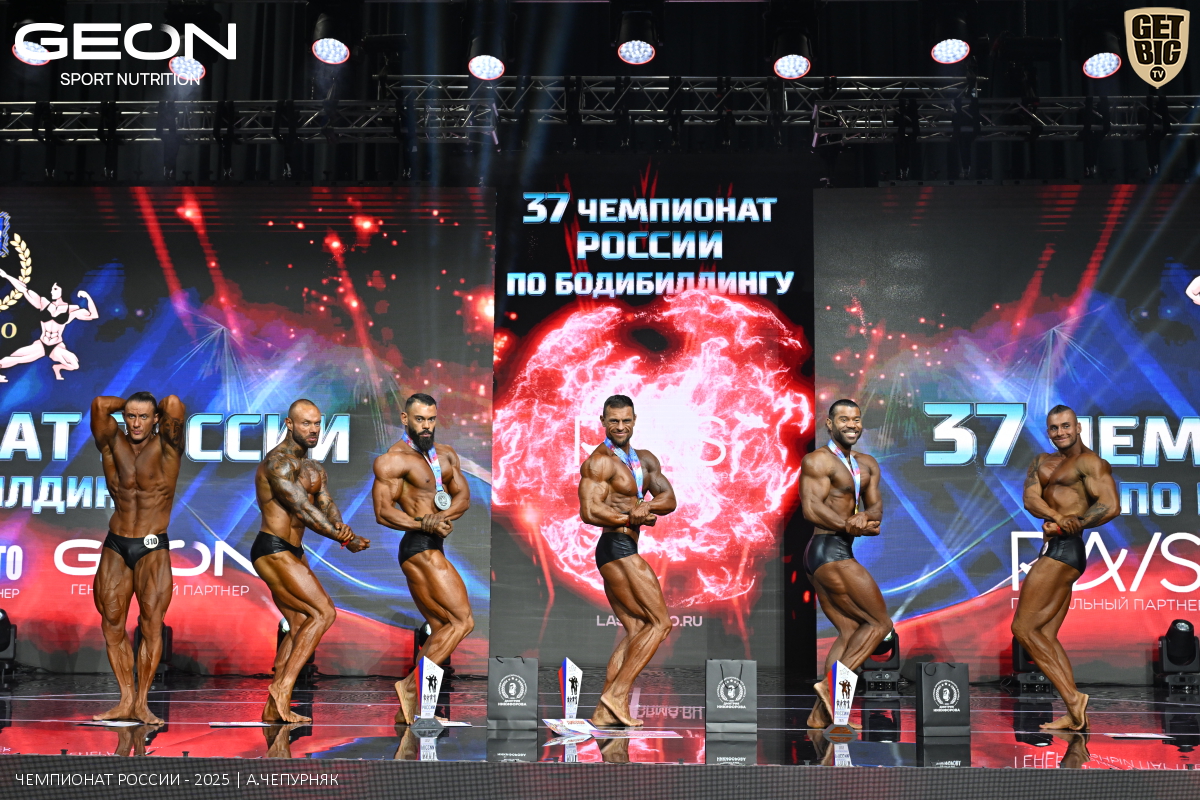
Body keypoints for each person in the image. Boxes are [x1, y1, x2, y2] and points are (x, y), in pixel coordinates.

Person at [253, 399, 369, 724]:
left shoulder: (314, 468)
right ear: (289, 424)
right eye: (306, 423)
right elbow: (303, 509)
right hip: (273, 548)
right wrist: (343, 539)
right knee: (323, 612)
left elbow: (326, 505)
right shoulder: (277, 463)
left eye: (317, 423)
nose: (314, 429)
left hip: (294, 550)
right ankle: (282, 688)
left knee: (301, 622)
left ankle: (273, 706)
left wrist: (342, 528)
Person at [1014, 404, 1119, 731]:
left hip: (1064, 550)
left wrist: (1074, 523)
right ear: (1048, 431)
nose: (1060, 432)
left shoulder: (1089, 462)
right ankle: (1075, 715)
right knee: (1045, 633)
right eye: (1054, 427)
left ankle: (1073, 698)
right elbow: (1031, 499)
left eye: (1066, 426)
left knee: (1023, 629)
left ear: (1078, 428)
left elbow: (1111, 505)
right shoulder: (1041, 462)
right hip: (1055, 547)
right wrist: (1058, 517)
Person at [373, 393, 473, 724]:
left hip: (433, 544)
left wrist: (442, 518)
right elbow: (383, 512)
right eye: (419, 419)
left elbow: (463, 497)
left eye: (431, 419)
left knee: (443, 626)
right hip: (418, 547)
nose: (426, 426)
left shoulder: (446, 455)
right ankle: (409, 687)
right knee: (462, 622)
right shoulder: (393, 460)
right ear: (405, 419)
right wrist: (424, 523)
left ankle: (408, 704)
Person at [578, 395, 677, 727]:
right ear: (603, 422)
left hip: (622, 547)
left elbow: (669, 499)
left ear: (634, 420)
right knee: (660, 624)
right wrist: (628, 517)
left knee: (637, 628)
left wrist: (645, 507)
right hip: (616, 547)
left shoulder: (644, 460)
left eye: (626, 420)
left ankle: (603, 711)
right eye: (613, 421)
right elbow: (589, 510)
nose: (620, 427)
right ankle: (617, 694)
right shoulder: (599, 462)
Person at [89, 392, 186, 724]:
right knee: (111, 623)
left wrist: (150, 407)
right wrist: (130, 403)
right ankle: (125, 700)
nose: (136, 423)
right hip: (116, 543)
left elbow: (173, 403)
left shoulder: (168, 445)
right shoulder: (111, 442)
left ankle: (142, 703)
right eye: (130, 416)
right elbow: (100, 405)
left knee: (151, 625)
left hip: (152, 545)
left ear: (156, 419)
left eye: (144, 417)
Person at [799, 399, 891, 729]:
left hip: (833, 551)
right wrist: (848, 525)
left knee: (850, 631)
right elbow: (811, 509)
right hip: (828, 550)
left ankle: (822, 714)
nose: (851, 425)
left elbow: (876, 509)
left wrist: (865, 517)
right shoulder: (818, 461)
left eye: (856, 419)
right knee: (879, 624)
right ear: (829, 424)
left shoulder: (867, 464)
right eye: (843, 419)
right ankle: (830, 687)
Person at [0, 269, 98, 382]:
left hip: (56, 346)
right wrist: (6, 276)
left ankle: (57, 368)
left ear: (62, 290)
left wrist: (87, 297)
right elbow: (24, 289)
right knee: (16, 358)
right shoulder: (43, 303)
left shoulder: (71, 309)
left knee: (74, 365)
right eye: (52, 289)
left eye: (55, 289)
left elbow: (93, 315)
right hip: (41, 344)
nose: (52, 291)